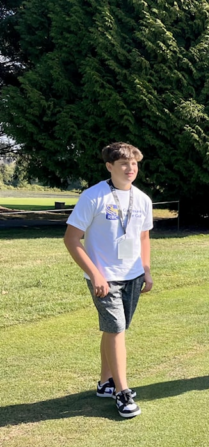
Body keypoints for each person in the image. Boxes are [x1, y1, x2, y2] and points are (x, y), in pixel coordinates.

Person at [64, 142, 153, 418]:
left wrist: (146, 270)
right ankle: (122, 392)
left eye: (134, 164)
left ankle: (105, 382)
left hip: (133, 276)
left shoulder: (142, 199)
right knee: (116, 330)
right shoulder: (93, 196)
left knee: (116, 328)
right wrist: (95, 274)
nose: (130, 169)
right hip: (105, 278)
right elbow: (71, 239)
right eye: (124, 164)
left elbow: (143, 237)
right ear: (109, 166)